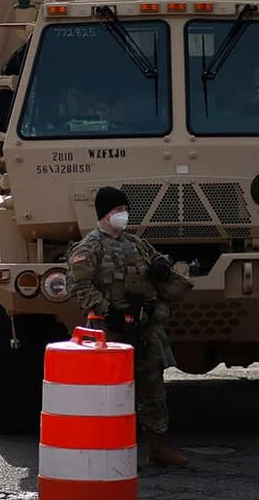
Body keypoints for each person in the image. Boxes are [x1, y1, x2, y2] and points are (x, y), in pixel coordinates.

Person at [67, 186, 191, 468]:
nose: (122, 214)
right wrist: (106, 311)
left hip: (144, 328)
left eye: (124, 209)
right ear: (104, 214)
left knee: (153, 387)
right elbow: (78, 285)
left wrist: (161, 265)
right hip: (110, 331)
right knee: (111, 394)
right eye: (117, 210)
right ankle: (110, 453)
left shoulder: (136, 242)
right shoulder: (89, 247)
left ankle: (158, 448)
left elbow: (158, 261)